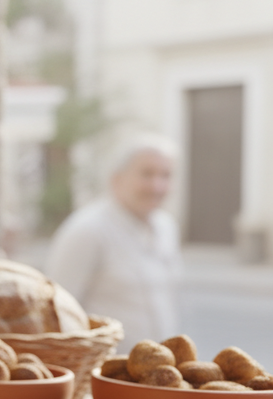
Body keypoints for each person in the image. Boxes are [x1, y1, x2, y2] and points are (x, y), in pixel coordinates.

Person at [45, 140, 181, 346]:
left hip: (160, 371)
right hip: (105, 372)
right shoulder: (86, 230)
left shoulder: (166, 226)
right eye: (147, 174)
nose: (157, 186)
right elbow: (55, 313)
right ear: (117, 179)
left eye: (165, 175)